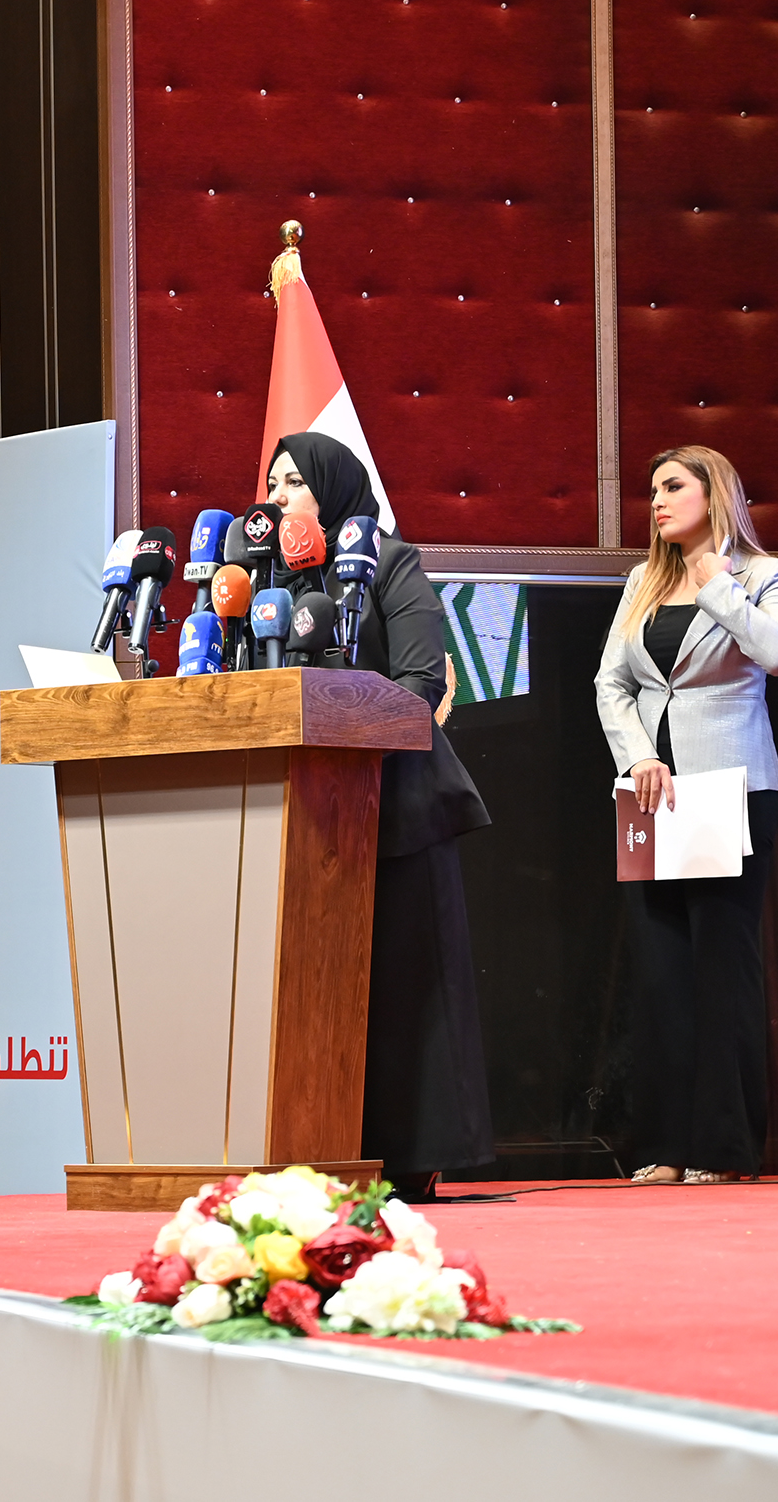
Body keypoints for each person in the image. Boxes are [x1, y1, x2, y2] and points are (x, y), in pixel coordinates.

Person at [267, 434, 495, 1200]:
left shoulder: (390, 562)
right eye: (271, 482)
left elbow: (421, 684)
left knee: (401, 985)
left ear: (332, 488)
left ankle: (409, 1153)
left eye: (294, 481)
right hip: (299, 819)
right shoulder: (268, 581)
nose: (276, 497)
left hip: (396, 805)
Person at [594, 445, 778, 1185]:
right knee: (662, 975)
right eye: (652, 489)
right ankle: (666, 1146)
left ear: (714, 493)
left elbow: (777, 652)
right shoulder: (642, 581)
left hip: (732, 794)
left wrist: (717, 584)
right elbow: (611, 683)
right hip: (653, 795)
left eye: (672, 486)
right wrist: (637, 756)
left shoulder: (763, 574)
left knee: (721, 971)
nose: (655, 500)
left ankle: (723, 1148)